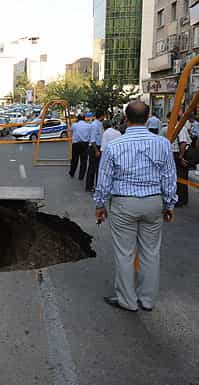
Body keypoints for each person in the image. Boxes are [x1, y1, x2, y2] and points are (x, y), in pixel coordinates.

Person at [94, 101, 177, 312]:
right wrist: (169, 204)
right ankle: (147, 300)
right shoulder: (163, 144)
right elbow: (169, 177)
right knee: (151, 252)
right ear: (148, 118)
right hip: (153, 202)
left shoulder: (114, 146)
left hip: (123, 203)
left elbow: (104, 179)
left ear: (126, 119)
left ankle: (127, 300)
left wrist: (100, 204)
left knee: (125, 253)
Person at [85, 111, 105, 192]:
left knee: (98, 168)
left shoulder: (99, 124)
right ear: (102, 116)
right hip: (94, 148)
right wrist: (96, 150)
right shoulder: (95, 125)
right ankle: (89, 186)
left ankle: (97, 186)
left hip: (98, 147)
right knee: (92, 168)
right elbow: (93, 140)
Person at [69, 113, 91, 180]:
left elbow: (70, 131)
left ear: (77, 118)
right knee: (83, 161)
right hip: (85, 144)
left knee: (74, 160)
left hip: (75, 144)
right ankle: (81, 176)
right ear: (84, 118)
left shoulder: (74, 125)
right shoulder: (88, 125)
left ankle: (72, 173)